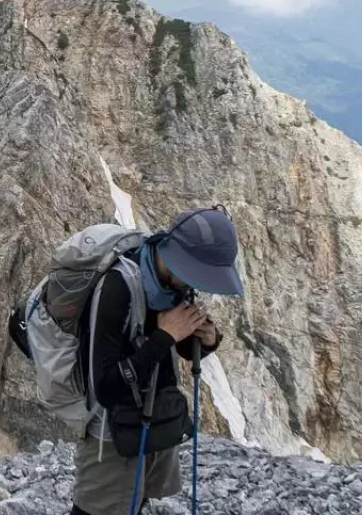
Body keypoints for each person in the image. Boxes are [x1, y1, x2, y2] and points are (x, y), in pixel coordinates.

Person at [70, 207, 244, 515]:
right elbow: (106, 388)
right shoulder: (116, 287)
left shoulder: (175, 284)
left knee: (136, 504)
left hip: (154, 421)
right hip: (111, 438)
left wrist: (206, 340)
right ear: (179, 259)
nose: (198, 284)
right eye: (197, 273)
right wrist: (165, 336)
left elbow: (180, 350)